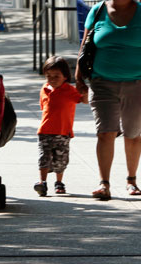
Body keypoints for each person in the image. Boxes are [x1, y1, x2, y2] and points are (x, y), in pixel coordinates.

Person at [75, 0, 141, 200]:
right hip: (102, 81)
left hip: (137, 83)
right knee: (105, 132)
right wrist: (78, 77)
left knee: (132, 133)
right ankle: (104, 183)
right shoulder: (97, 11)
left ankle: (131, 180)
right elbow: (85, 45)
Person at [34, 56, 88, 196]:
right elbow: (43, 107)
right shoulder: (44, 89)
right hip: (45, 130)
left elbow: (84, 100)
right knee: (44, 157)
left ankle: (59, 182)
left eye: (56, 75)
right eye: (48, 76)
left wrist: (85, 90)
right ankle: (42, 182)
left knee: (61, 159)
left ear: (65, 76)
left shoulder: (70, 90)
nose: (52, 78)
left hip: (63, 132)